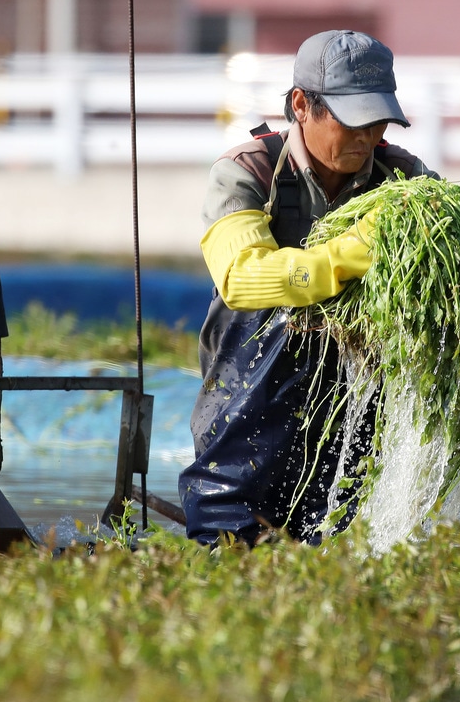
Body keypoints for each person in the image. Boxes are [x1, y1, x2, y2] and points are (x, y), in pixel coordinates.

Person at [178, 29, 437, 547]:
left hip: (353, 401)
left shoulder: (404, 180)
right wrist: (353, 253)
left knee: (342, 549)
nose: (367, 136)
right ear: (301, 105)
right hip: (247, 403)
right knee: (232, 552)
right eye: (352, 119)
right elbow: (243, 277)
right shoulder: (246, 172)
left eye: (378, 120)